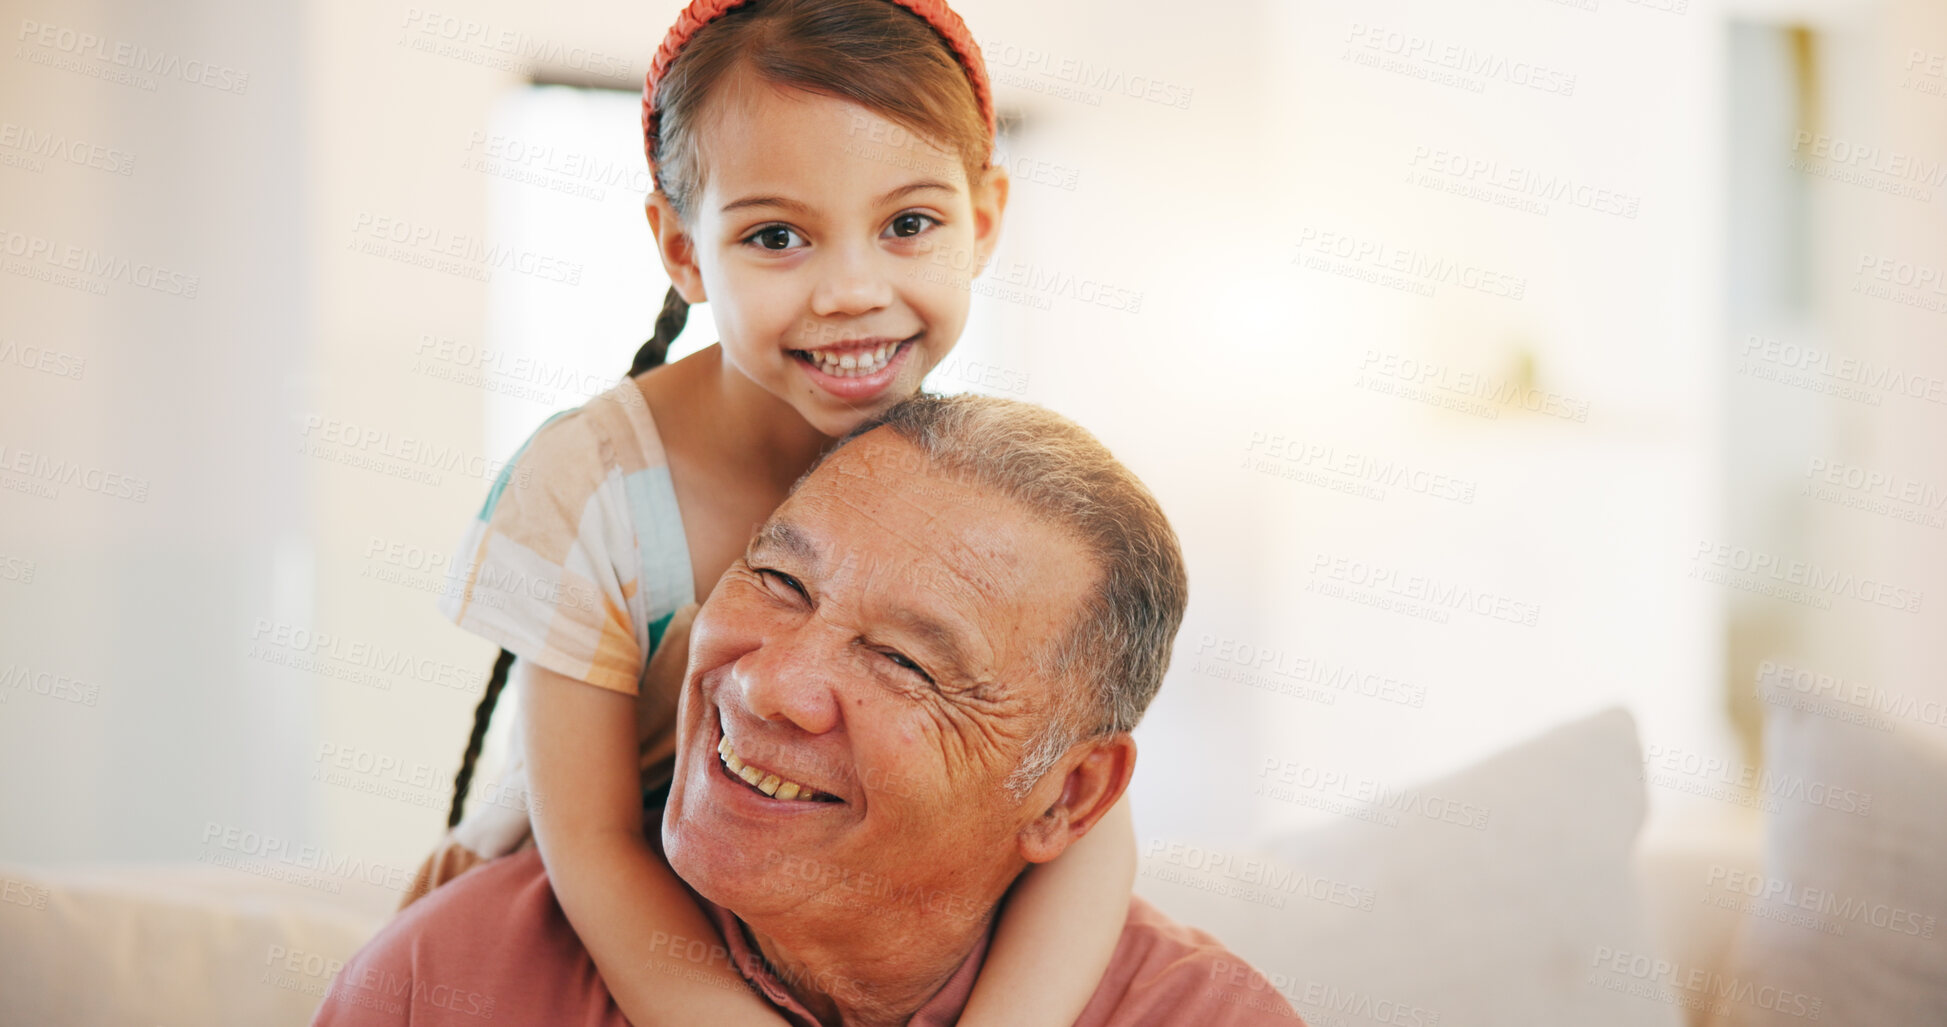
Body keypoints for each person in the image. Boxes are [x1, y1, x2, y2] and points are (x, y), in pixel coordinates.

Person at [399, 2, 1137, 1024]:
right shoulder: (592, 487)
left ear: (983, 220)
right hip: (632, 904)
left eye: (908, 225)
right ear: (684, 250)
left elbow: (1090, 816)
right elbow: (594, 839)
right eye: (777, 235)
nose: (851, 290)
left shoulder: (982, 488)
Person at [317, 394, 1304, 1026]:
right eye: (781, 580)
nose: (763, 684)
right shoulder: (447, 980)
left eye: (907, 661)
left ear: (1069, 796)